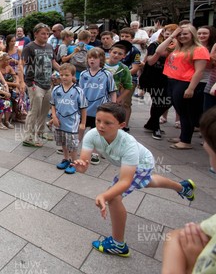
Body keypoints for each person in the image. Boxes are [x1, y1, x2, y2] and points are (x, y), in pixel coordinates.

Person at [73, 102, 196, 257]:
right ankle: (183, 187)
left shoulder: (128, 144)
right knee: (148, 181)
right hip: (133, 166)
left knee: (114, 197)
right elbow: (84, 164)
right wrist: (81, 166)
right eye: (98, 121)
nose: (101, 126)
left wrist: (105, 195)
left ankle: (118, 244)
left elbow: (125, 181)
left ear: (121, 125)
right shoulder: (92, 135)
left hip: (142, 163)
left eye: (108, 123)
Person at [162, 106, 216, 274]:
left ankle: (182, 187)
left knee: (136, 181)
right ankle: (182, 187)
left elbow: (175, 239)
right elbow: (175, 237)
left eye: (210, 153)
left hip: (138, 163)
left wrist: (190, 266)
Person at [158, 25, 210, 150]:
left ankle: (186, 141)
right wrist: (171, 36)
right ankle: (183, 136)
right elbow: (159, 51)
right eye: (180, 34)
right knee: (181, 112)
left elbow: (199, 71)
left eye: (185, 34)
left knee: (186, 112)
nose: (182, 36)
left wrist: (191, 88)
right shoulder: (177, 47)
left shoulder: (199, 49)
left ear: (192, 34)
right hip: (173, 81)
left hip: (185, 83)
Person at [21, 23, 61, 147]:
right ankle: (28, 137)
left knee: (44, 110)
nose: (46, 35)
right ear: (36, 34)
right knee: (34, 110)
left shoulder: (49, 46)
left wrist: (64, 72)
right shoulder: (29, 47)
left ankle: (40, 131)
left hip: (47, 83)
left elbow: (53, 62)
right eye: (43, 33)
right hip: (34, 83)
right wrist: (22, 82)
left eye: (47, 33)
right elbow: (21, 64)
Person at [141, 24, 177, 140]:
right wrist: (160, 53)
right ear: (163, 32)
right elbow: (150, 61)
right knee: (158, 101)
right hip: (153, 78)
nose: (169, 34)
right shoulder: (155, 45)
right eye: (168, 32)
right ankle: (155, 127)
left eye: (173, 32)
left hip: (169, 78)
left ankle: (151, 123)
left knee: (169, 101)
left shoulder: (178, 47)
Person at [51, 63, 87, 174]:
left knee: (73, 143)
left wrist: (83, 123)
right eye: (61, 75)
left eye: (66, 75)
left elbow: (84, 108)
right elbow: (53, 104)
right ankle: (66, 159)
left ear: (73, 76)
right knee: (63, 141)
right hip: (60, 121)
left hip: (72, 123)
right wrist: (54, 116)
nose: (63, 77)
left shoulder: (78, 91)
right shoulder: (56, 89)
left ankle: (74, 162)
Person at [78, 48, 116, 142]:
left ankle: (95, 151)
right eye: (90, 57)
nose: (92, 60)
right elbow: (79, 91)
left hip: (100, 108)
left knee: (97, 131)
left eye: (95, 58)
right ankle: (75, 145)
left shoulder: (107, 74)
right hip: (85, 108)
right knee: (80, 128)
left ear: (101, 59)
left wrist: (113, 106)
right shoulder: (83, 74)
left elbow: (112, 91)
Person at [117, 28, 142, 131]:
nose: (124, 38)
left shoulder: (135, 51)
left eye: (127, 36)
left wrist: (121, 76)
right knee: (115, 102)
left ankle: (124, 125)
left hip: (128, 80)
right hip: (116, 80)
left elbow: (135, 68)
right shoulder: (116, 48)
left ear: (132, 39)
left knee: (125, 103)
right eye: (122, 36)